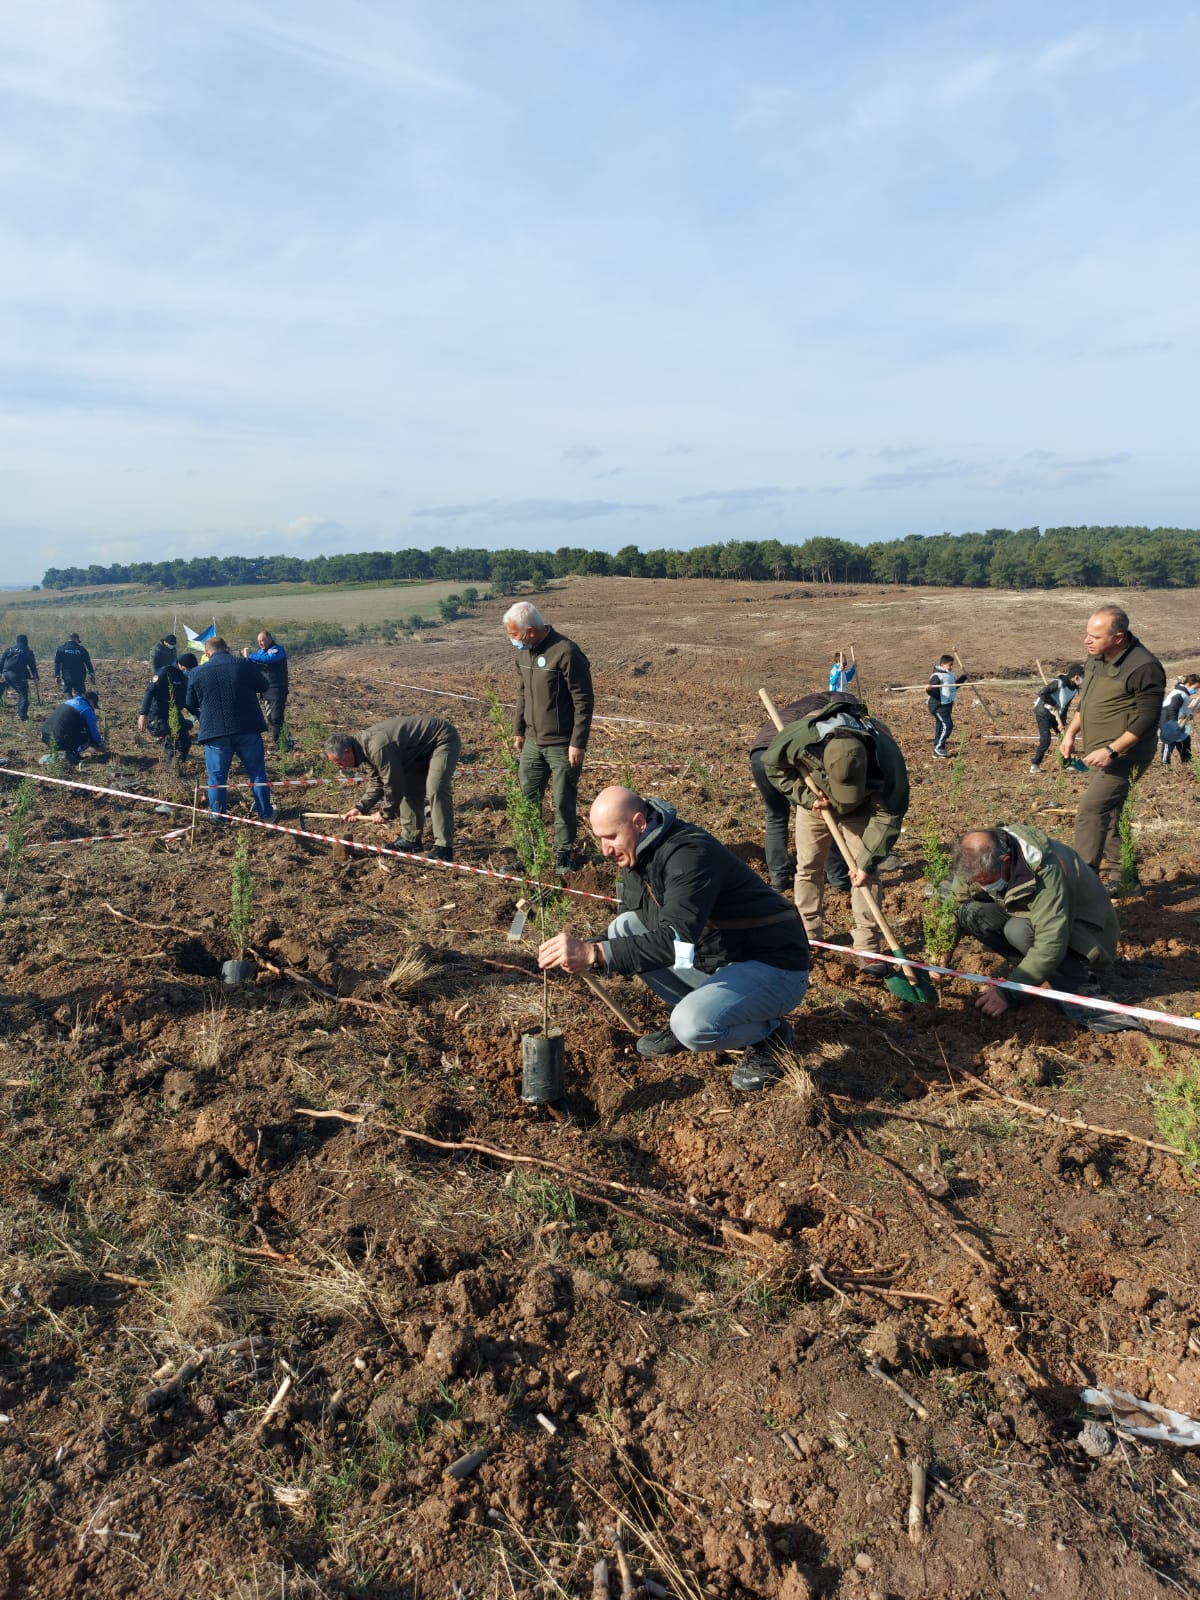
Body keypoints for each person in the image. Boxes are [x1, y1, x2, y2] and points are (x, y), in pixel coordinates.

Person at [538, 786, 811, 1092]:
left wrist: (594, 953)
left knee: (691, 1027)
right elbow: (643, 926)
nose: (605, 849)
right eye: (599, 838)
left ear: (639, 822)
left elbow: (674, 940)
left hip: (774, 964)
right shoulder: (636, 856)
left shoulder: (689, 855)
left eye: (611, 837)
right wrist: (588, 949)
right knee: (624, 927)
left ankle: (769, 1035)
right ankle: (703, 1007)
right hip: (717, 957)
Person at [763, 692, 909, 977]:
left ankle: (868, 947)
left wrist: (867, 861)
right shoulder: (803, 736)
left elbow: (889, 815)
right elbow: (772, 765)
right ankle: (807, 935)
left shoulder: (886, 755)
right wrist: (807, 797)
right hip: (817, 803)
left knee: (866, 875)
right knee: (808, 868)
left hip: (864, 809)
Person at [948, 825, 1138, 1034]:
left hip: (1088, 933)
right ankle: (1031, 972)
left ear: (1005, 863)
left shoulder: (1046, 870)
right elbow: (956, 903)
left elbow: (1051, 942)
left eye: (985, 881)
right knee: (971, 913)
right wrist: (943, 948)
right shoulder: (976, 857)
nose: (981, 886)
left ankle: (1073, 979)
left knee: (1018, 931)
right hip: (1032, 915)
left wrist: (1009, 993)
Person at [1059, 606, 1166, 890]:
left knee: (1091, 812)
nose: (1087, 640)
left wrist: (1112, 750)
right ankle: (1125, 878)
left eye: (1095, 635)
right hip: (1096, 751)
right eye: (1087, 634)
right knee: (1110, 814)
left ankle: (1083, 888)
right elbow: (1087, 700)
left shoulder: (1144, 667)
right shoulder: (1096, 656)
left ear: (1118, 637)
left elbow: (1148, 717)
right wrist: (1070, 732)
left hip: (1125, 754)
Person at [503, 602, 594, 876]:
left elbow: (583, 700)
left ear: (531, 631)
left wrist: (578, 742)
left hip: (562, 745)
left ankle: (562, 856)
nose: (512, 641)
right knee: (527, 800)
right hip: (532, 742)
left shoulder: (565, 652)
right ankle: (528, 854)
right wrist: (518, 730)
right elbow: (522, 694)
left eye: (515, 635)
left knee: (563, 799)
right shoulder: (525, 655)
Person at [749, 696, 853, 894]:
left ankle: (778, 880)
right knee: (818, 814)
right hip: (786, 754)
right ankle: (839, 879)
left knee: (776, 816)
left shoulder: (803, 705)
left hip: (759, 753)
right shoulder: (830, 711)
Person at [324, 715, 460, 861]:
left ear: (347, 751)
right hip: (416, 750)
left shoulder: (377, 747)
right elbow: (377, 782)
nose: (340, 767)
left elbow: (393, 783)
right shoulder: (363, 750)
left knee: (436, 787)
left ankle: (444, 846)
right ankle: (411, 840)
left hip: (441, 738)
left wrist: (385, 812)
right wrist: (360, 808)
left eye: (339, 762)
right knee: (410, 789)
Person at [184, 638, 276, 822]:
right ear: (227, 648)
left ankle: (218, 818)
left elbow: (189, 703)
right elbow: (264, 685)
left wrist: (204, 716)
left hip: (215, 732)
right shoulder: (244, 664)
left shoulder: (197, 672)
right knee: (256, 773)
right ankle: (266, 814)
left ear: (207, 653)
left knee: (217, 779)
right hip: (247, 728)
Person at [138, 651, 197, 764]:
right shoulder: (165, 673)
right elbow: (149, 691)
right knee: (170, 746)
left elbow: (184, 700)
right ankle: (173, 772)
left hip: (174, 713)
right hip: (158, 714)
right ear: (180, 665)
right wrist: (143, 714)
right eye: (188, 669)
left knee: (185, 743)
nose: (190, 672)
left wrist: (198, 714)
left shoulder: (184, 677)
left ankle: (179, 764)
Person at [1030, 664, 1084, 774]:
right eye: (1083, 676)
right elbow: (1042, 693)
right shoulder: (1058, 683)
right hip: (1043, 712)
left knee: (1064, 738)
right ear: (1076, 677)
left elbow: (1065, 706)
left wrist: (1062, 723)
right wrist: (1053, 702)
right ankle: (1035, 765)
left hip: (1057, 715)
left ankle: (1067, 764)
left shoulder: (1074, 689)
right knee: (1045, 741)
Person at [242, 631, 290, 747]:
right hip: (266, 690)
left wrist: (250, 656)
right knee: (271, 718)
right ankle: (285, 740)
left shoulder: (277, 650)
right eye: (258, 641)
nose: (260, 643)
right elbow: (255, 663)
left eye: (262, 640)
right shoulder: (260, 652)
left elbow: (268, 659)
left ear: (269, 639)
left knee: (276, 717)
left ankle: (281, 744)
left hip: (277, 688)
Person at [40, 689, 105, 767]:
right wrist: (100, 745)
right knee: (88, 737)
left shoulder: (69, 702)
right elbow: (93, 731)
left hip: (45, 735)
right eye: (94, 705)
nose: (93, 708)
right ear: (91, 701)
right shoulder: (86, 709)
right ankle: (72, 754)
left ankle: (60, 751)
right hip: (60, 739)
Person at [927, 654, 966, 759]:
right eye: (950, 665)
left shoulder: (949, 674)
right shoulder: (937, 676)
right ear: (943, 664)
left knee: (941, 726)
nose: (952, 667)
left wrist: (963, 678)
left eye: (952, 665)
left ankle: (937, 750)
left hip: (946, 705)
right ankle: (939, 747)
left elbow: (953, 687)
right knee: (948, 725)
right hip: (937, 706)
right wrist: (929, 690)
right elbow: (933, 692)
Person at [1159, 674, 1199, 766]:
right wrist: (1173, 723)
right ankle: (1165, 764)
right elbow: (1172, 708)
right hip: (1168, 719)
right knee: (1170, 741)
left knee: (1185, 739)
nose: (1196, 691)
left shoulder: (1184, 694)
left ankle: (1187, 762)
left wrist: (1189, 714)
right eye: (1196, 688)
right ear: (1189, 684)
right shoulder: (1179, 693)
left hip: (1178, 720)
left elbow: (1183, 709)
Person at [1, 634, 40, 721]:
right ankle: (22, 716)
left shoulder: (9, 650)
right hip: (17, 675)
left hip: (6, 673)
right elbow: (32, 666)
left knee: (20, 692)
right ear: (26, 641)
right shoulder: (28, 651)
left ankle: (19, 712)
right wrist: (36, 677)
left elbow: (2, 661)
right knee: (24, 694)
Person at [53, 633, 96, 698]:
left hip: (67, 675)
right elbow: (88, 662)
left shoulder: (61, 649)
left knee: (67, 691)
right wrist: (91, 673)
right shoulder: (82, 649)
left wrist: (57, 675)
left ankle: (71, 704)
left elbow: (57, 663)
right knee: (80, 693)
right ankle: (78, 705)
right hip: (80, 675)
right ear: (76, 639)